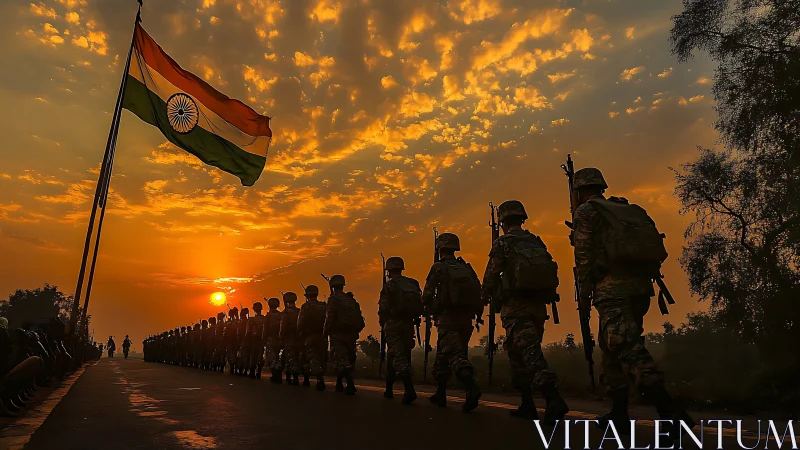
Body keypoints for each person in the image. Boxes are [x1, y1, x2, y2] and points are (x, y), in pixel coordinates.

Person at [570, 167, 695, 435]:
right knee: (612, 349)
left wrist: (584, 292)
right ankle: (618, 412)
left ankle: (670, 412)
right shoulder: (621, 209)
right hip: (640, 289)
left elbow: (583, 256)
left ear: (579, 190)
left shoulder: (587, 212)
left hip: (612, 290)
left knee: (626, 348)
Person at [482, 199, 569, 424]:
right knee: (520, 352)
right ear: (522, 218)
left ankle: (553, 397)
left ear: (502, 221)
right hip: (538, 307)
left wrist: (484, 296)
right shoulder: (535, 242)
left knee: (529, 354)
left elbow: (491, 274)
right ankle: (527, 404)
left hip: (515, 307)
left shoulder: (503, 243)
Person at [421, 232, 483, 413]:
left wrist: (428, 307)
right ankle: (440, 394)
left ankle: (472, 387)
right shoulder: (466, 267)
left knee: (455, 355)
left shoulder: (438, 267)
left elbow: (426, 294)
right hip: (467, 319)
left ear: (439, 248)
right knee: (443, 355)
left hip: (447, 318)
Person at [378, 256, 423, 405]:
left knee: (396, 355)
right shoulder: (412, 283)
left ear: (389, 270)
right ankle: (389, 389)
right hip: (408, 324)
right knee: (402, 355)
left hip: (393, 324)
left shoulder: (389, 286)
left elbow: (383, 308)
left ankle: (409, 390)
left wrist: (382, 323)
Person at [323, 275, 365, 395]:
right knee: (347, 358)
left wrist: (325, 332)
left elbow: (329, 317)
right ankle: (339, 382)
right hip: (351, 334)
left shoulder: (333, 300)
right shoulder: (350, 299)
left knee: (341, 359)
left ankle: (350, 384)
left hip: (338, 334)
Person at [296, 285, 328, 391]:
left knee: (310, 356)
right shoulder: (323, 306)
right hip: (322, 336)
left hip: (309, 336)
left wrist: (300, 333)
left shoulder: (306, 307)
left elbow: (300, 323)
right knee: (320, 357)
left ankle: (317, 379)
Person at [279, 292, 302, 385]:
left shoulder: (285, 313)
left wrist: (281, 339)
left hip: (289, 339)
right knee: (295, 357)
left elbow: (283, 328)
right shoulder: (299, 311)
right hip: (299, 339)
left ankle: (293, 377)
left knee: (290, 358)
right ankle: (291, 376)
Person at [263, 298, 284, 383]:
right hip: (280, 339)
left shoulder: (268, 316)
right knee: (277, 356)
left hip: (271, 339)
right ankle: (278, 374)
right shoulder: (282, 315)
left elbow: (265, 329)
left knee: (271, 358)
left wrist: (264, 340)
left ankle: (275, 374)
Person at [246, 302, 267, 379]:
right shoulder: (265, 319)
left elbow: (248, 332)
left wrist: (247, 341)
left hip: (253, 340)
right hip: (262, 340)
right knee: (260, 356)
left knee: (253, 356)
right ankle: (259, 372)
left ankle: (252, 372)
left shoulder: (251, 320)